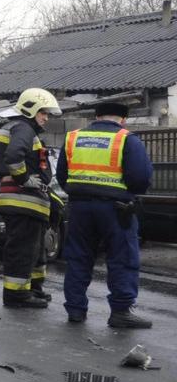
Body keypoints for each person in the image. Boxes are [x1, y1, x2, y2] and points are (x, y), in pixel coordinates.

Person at [59, 100, 154, 328]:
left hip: (80, 207)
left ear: (97, 116)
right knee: (122, 257)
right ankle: (121, 311)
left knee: (78, 257)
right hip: (116, 209)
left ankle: (75, 310)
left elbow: (62, 175)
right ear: (123, 119)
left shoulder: (73, 138)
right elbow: (140, 178)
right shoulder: (126, 139)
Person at [0, 88, 62, 308]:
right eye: (43, 113)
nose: (46, 118)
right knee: (22, 250)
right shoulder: (23, 128)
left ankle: (33, 289)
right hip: (22, 201)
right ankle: (16, 296)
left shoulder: (20, 129)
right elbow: (13, 157)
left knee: (35, 249)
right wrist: (23, 179)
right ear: (30, 110)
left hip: (28, 203)